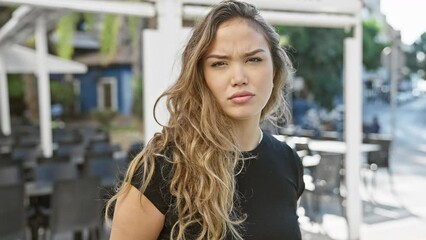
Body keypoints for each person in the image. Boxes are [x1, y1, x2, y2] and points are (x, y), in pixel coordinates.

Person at [106, 1, 305, 239]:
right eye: (219, 63)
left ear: (275, 69)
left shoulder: (288, 162)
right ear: (201, 77)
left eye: (253, 59)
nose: (239, 78)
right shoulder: (161, 167)